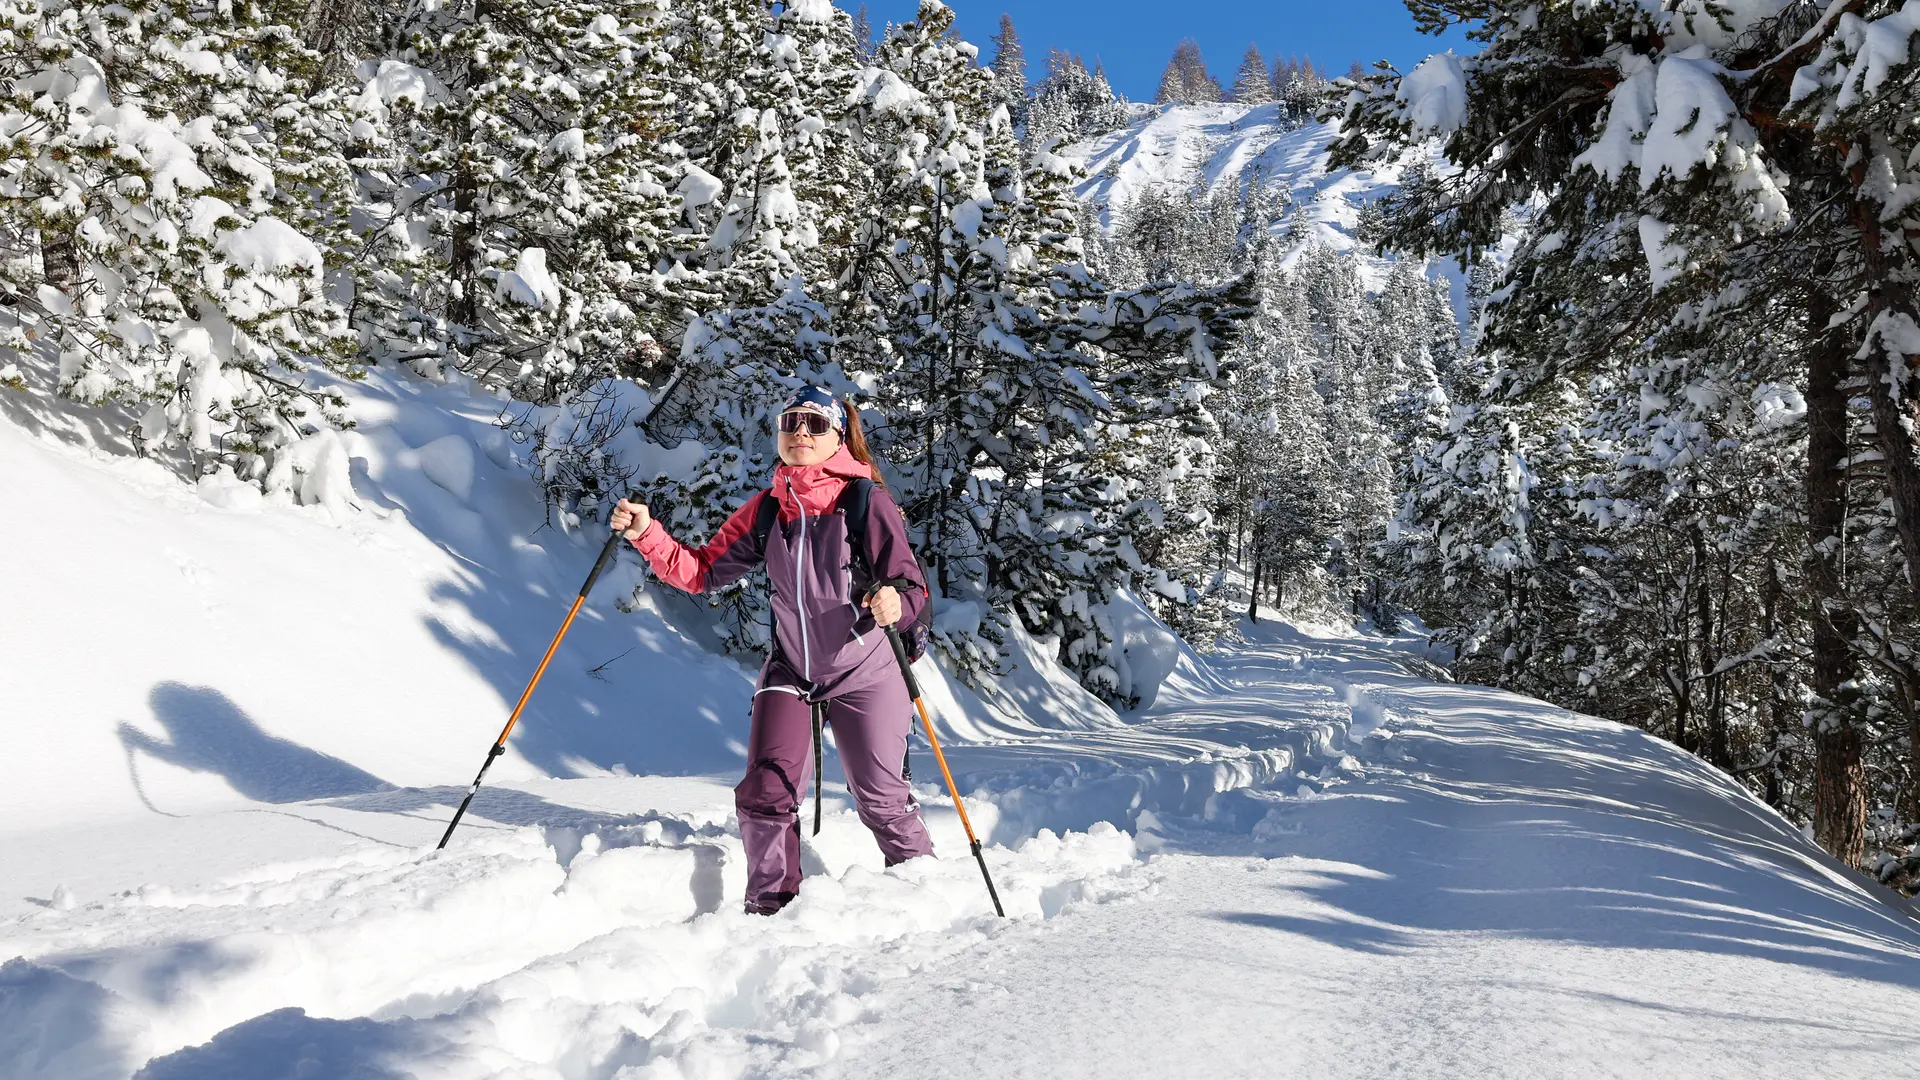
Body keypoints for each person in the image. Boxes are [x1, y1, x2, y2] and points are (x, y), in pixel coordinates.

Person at [610, 386, 934, 914]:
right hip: (794, 667)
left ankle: (925, 891)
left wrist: (896, 599)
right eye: (790, 423)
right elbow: (702, 572)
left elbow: (912, 586)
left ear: (837, 437)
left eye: (814, 424)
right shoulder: (769, 509)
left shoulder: (863, 501)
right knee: (765, 789)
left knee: (880, 798)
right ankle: (772, 909)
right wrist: (649, 534)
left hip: (868, 669)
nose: (800, 433)